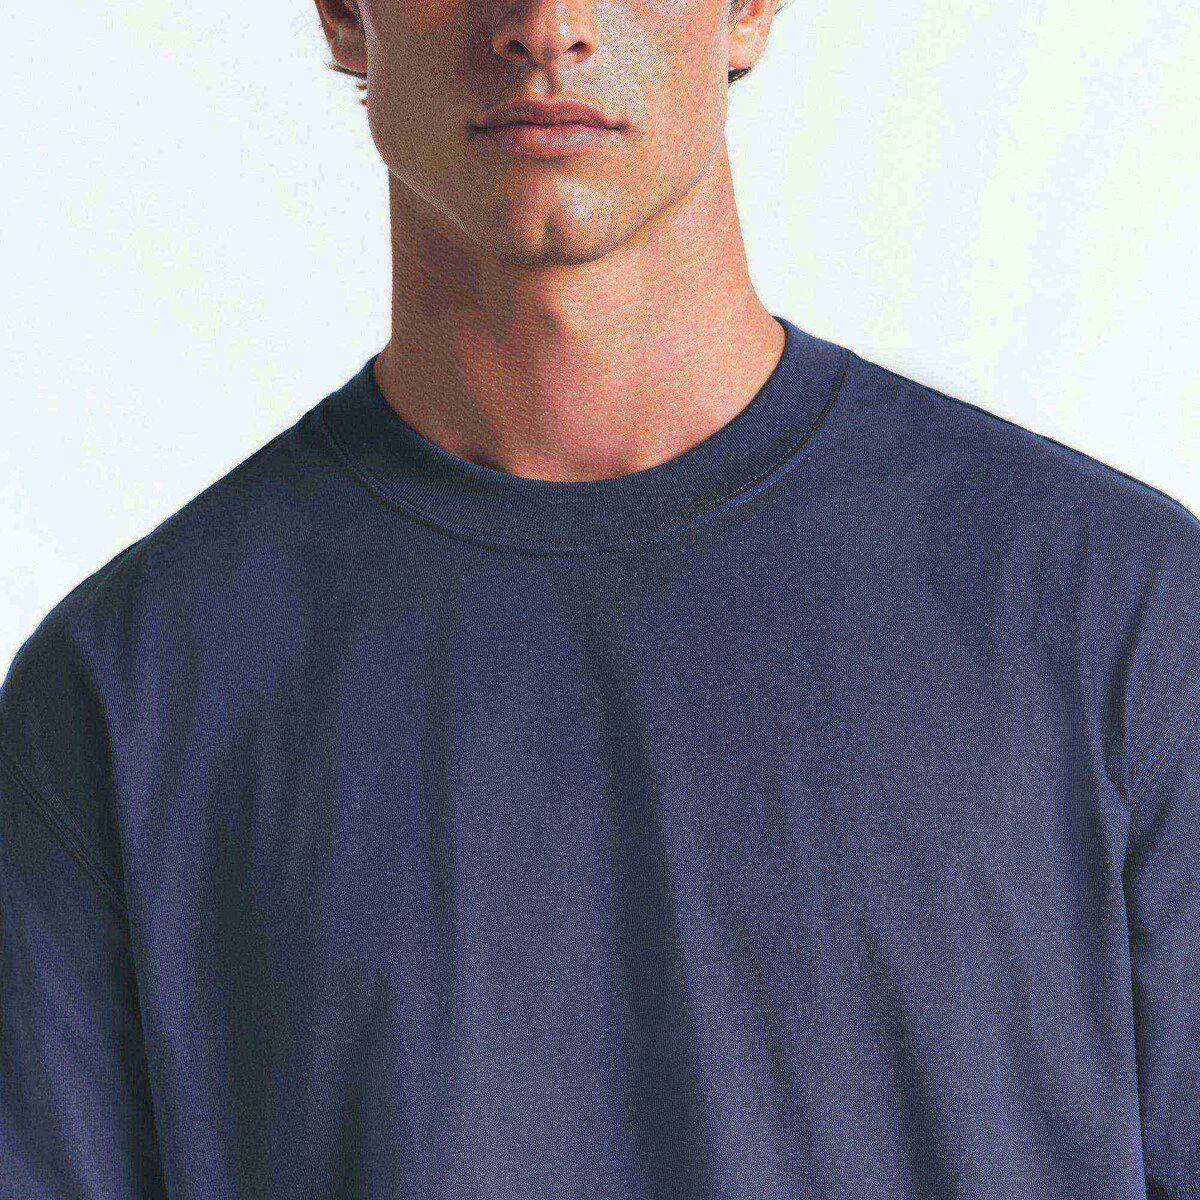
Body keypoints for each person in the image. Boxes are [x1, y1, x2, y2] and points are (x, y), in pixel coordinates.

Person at [1, 0, 1196, 1194]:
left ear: (750, 7)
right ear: (344, 13)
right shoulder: (123, 698)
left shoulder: (1124, 616)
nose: (547, 24)